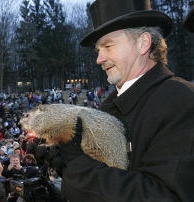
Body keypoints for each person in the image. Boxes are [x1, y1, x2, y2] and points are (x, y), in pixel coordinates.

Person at [52, 0, 194, 201]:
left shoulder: (181, 101)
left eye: (108, 46)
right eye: (98, 50)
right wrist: (63, 166)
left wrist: (78, 168)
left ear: (143, 43)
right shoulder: (109, 108)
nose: (99, 59)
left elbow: (163, 195)